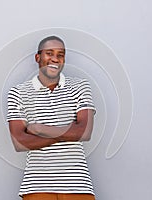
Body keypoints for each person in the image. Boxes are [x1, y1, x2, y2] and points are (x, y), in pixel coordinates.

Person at [7, 35, 96, 200]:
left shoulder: (80, 87)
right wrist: (68, 132)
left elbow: (84, 132)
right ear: (38, 57)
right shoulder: (18, 93)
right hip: (36, 186)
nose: (55, 58)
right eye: (49, 53)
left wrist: (41, 129)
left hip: (78, 185)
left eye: (60, 54)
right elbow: (20, 142)